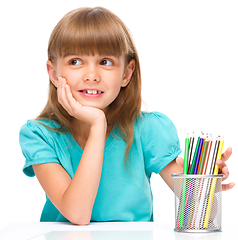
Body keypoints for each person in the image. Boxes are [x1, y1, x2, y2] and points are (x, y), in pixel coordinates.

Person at [19, 7, 234, 225]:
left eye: (105, 62)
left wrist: (206, 182)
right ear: (54, 74)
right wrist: (97, 124)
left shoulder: (147, 129)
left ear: (127, 73)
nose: (91, 76)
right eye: (75, 61)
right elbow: (77, 214)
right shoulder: (40, 135)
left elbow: (201, 210)